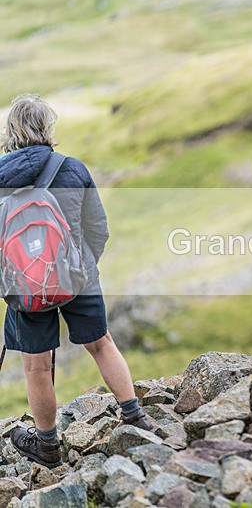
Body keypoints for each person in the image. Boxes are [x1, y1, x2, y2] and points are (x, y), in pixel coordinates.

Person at [0, 94, 154, 468]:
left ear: (10, 132)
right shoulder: (71, 168)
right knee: (101, 344)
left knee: (36, 365)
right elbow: (97, 228)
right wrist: (81, 268)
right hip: (78, 277)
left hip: (25, 289)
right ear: (47, 127)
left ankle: (48, 445)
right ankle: (135, 416)